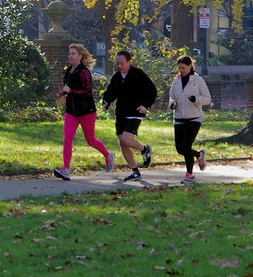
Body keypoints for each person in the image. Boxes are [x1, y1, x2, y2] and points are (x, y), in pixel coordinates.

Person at [53, 44, 113, 181]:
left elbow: (87, 92)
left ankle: (108, 155)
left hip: (86, 111)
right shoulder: (68, 71)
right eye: (69, 54)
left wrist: (70, 91)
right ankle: (66, 169)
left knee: (90, 140)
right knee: (67, 139)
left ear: (80, 56)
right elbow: (69, 88)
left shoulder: (84, 72)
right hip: (71, 111)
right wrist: (62, 93)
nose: (70, 56)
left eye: (73, 54)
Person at [101, 50, 158, 181]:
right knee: (122, 142)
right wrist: (106, 102)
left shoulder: (138, 74)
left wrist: (146, 105)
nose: (119, 66)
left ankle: (144, 149)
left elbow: (152, 91)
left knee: (127, 139)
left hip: (135, 112)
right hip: (121, 112)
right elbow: (110, 92)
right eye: (117, 63)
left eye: (122, 63)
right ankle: (135, 171)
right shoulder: (117, 77)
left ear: (129, 62)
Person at [168, 55, 212, 184]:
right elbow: (171, 96)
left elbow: (207, 98)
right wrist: (172, 104)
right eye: (179, 68)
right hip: (179, 118)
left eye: (183, 67)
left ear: (190, 66)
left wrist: (197, 99)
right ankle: (199, 155)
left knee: (186, 146)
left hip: (194, 118)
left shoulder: (198, 80)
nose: (181, 70)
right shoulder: (176, 81)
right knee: (180, 149)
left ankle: (189, 174)